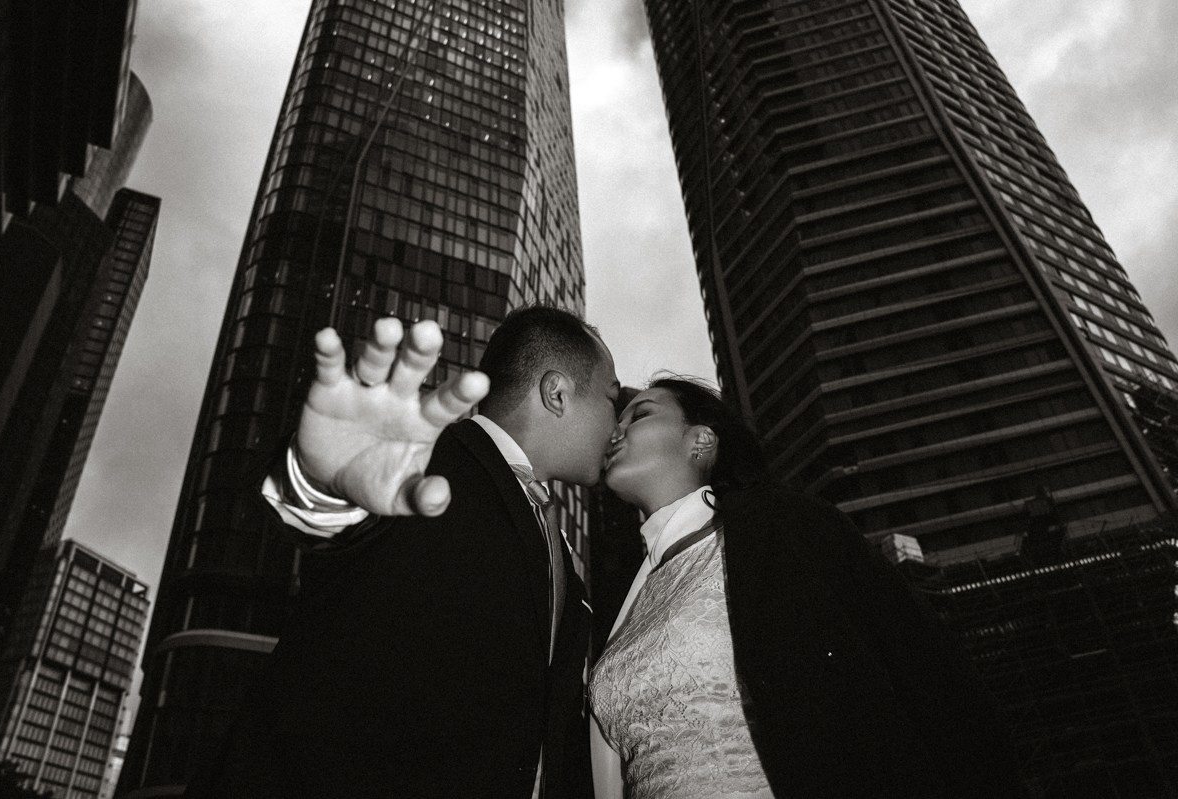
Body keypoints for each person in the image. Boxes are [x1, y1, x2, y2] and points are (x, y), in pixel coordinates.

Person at [188, 306, 620, 799]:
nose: (618, 421)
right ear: (557, 393)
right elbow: (327, 515)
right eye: (611, 398)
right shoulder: (424, 460)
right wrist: (316, 483)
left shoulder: (558, 548)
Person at [587, 377, 1029, 798]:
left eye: (639, 415)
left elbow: (928, 676)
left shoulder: (786, 525)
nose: (616, 430)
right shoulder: (618, 594)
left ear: (701, 440)